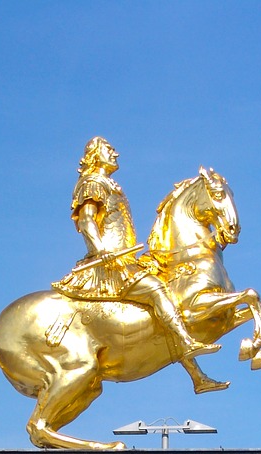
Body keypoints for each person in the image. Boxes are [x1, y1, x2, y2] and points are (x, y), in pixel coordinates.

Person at [53, 136, 219, 362]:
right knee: (157, 290)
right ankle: (186, 342)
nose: (115, 153)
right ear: (94, 156)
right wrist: (101, 250)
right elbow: (87, 221)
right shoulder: (92, 183)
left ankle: (197, 375)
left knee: (161, 305)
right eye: (108, 149)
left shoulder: (110, 186)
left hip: (125, 262)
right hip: (110, 267)